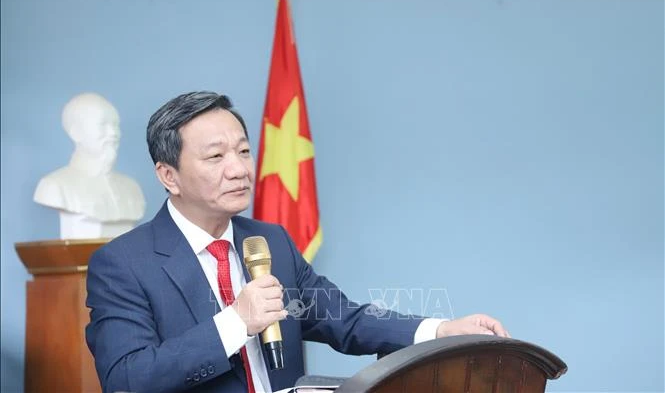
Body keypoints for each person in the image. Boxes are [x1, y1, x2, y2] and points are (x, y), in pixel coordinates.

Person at [85, 91, 509, 393]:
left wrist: (443, 330)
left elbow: (347, 320)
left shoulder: (270, 242)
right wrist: (236, 323)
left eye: (244, 151)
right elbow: (127, 377)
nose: (238, 169)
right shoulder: (122, 264)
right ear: (168, 175)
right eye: (216, 157)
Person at [33, 92, 145, 239]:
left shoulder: (132, 188)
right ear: (76, 132)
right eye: (102, 125)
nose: (113, 133)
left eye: (116, 125)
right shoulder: (54, 185)